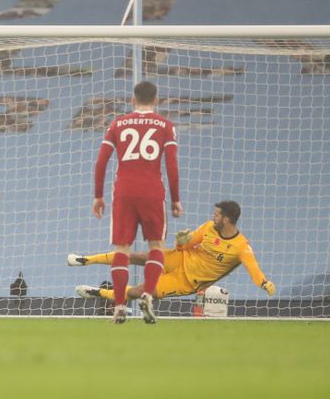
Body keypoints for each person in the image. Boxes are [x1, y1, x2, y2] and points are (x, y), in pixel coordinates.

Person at [92, 80, 181, 324]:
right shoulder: (165, 125)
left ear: (133, 100)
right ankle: (147, 297)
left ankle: (119, 305)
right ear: (156, 100)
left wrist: (98, 195)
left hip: (124, 191)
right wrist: (176, 199)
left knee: (122, 249)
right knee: (156, 246)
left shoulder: (118, 123)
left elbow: (101, 162)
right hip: (152, 191)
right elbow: (171, 166)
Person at [71, 200, 276, 302]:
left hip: (186, 282)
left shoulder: (241, 247)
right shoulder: (208, 228)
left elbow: (253, 269)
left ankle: (97, 292)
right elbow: (184, 246)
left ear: (227, 220)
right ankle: (85, 260)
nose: (213, 217)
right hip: (179, 259)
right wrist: (181, 242)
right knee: (137, 256)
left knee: (138, 291)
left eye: (217, 215)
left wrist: (265, 284)